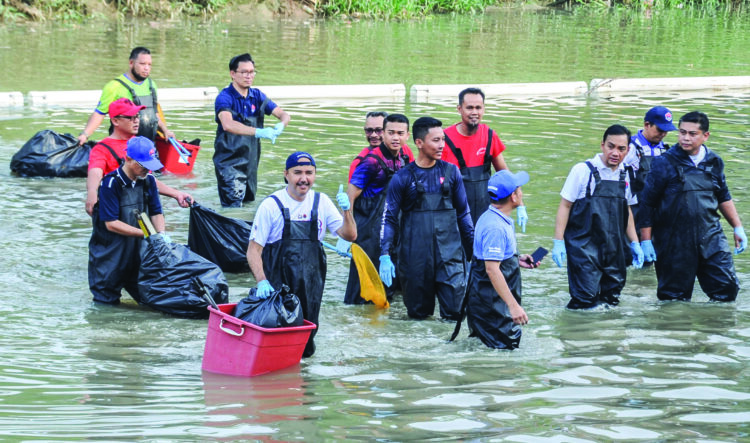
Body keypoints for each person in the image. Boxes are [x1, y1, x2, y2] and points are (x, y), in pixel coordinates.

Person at [247, 152, 356, 357]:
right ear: (286, 174)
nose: (303, 179)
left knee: (308, 336)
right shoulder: (271, 205)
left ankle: (304, 380)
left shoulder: (321, 202)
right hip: (278, 287)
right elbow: (254, 250)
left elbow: (350, 235)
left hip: (312, 284)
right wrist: (261, 281)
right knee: (278, 338)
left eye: (309, 173)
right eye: (297, 173)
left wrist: (347, 211)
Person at [639, 111, 746, 302]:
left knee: (727, 290)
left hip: (711, 237)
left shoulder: (714, 161)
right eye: (682, 132)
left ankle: (711, 330)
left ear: (705, 135)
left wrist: (737, 227)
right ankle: (676, 331)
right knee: (674, 301)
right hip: (673, 242)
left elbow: (723, 196)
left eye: (692, 134)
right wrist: (645, 241)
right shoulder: (664, 163)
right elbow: (647, 204)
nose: (685, 138)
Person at [379, 116, 473, 320]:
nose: (442, 145)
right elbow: (390, 219)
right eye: (436, 140)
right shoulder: (402, 177)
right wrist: (385, 254)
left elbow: (464, 214)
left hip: (450, 258)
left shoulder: (452, 172)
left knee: (455, 316)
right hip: (415, 259)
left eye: (443, 139)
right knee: (417, 318)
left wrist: (474, 252)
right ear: (419, 143)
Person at [552, 124, 644, 310]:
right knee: (584, 301)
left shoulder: (626, 175)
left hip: (614, 250)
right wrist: (558, 241)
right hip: (584, 248)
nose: (615, 152)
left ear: (628, 150)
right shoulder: (582, 171)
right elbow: (565, 205)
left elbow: (627, 211)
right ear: (602, 145)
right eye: (611, 146)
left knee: (611, 301)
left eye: (621, 148)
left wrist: (635, 242)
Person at [342, 113, 414, 304]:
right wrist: (347, 231)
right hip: (369, 231)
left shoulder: (405, 157)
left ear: (408, 135)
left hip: (392, 228)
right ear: (385, 133)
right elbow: (350, 195)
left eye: (400, 133)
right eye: (391, 132)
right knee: (362, 287)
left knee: (389, 287)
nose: (395, 137)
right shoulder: (371, 162)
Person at [464, 170, 539, 349]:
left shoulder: (493, 217)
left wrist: (515, 259)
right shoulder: (495, 227)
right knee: (501, 360)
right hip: (492, 309)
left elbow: (490, 258)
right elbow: (491, 269)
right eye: (519, 190)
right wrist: (513, 306)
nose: (522, 193)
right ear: (513, 196)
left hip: (490, 306)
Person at [88, 136, 166, 304]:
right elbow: (111, 224)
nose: (147, 169)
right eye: (143, 165)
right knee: (106, 308)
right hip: (109, 257)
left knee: (151, 303)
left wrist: (161, 235)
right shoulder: (111, 184)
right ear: (128, 159)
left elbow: (156, 212)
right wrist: (148, 234)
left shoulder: (148, 180)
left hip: (138, 254)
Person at [85, 98, 193, 216]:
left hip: (138, 209)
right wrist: (92, 192)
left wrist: (177, 194)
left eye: (137, 116)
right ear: (115, 121)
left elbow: (149, 179)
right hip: (115, 210)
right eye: (130, 117)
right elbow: (95, 172)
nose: (136, 121)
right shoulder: (102, 148)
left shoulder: (141, 144)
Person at [441, 87, 528, 230]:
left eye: (478, 108)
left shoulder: (489, 136)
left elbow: (505, 174)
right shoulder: (444, 139)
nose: (474, 112)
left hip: (485, 212)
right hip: (454, 214)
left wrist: (520, 205)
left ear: (484, 109)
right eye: (469, 108)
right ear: (459, 109)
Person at [214, 53, 291, 207]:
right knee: (233, 208)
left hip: (251, 163)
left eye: (252, 72)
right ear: (233, 74)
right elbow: (228, 124)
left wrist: (282, 124)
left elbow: (283, 114)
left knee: (249, 203)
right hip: (229, 163)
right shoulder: (225, 97)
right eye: (244, 72)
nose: (249, 76)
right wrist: (258, 132)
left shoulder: (257, 96)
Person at [78, 47, 174, 145]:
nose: (146, 68)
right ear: (131, 63)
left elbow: (154, 115)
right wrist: (85, 135)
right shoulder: (114, 86)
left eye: (149, 64)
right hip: (124, 147)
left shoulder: (151, 85)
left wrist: (165, 131)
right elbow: (99, 114)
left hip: (148, 147)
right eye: (142, 64)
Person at [623, 106, 677, 243]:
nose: (663, 134)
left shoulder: (666, 151)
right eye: (660, 130)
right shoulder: (629, 147)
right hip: (634, 210)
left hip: (657, 211)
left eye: (666, 131)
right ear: (647, 125)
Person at [347, 111, 388, 180]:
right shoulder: (358, 163)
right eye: (369, 130)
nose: (373, 135)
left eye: (379, 130)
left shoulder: (403, 151)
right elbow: (352, 190)